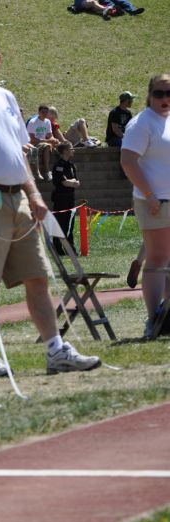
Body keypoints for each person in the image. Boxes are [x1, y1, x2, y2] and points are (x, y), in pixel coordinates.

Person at [0, 33, 101, 378]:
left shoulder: (7, 98)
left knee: (38, 276)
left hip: (18, 199)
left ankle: (55, 349)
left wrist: (35, 196)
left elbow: (19, 155)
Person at [120, 73, 170, 338]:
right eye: (159, 93)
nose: (164, 99)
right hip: (154, 202)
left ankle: (166, 319)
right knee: (158, 259)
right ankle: (153, 320)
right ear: (149, 95)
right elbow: (128, 161)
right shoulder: (142, 123)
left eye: (169, 93)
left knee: (168, 260)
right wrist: (150, 195)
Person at [50, 141, 81, 254]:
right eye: (71, 148)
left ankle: (70, 248)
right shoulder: (59, 166)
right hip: (60, 198)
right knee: (60, 223)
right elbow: (64, 183)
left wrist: (71, 182)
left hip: (70, 198)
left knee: (70, 224)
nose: (73, 150)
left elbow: (77, 183)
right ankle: (58, 248)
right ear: (65, 151)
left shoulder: (71, 165)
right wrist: (71, 182)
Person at [26, 105, 59, 180]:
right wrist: (47, 141)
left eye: (46, 112)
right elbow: (31, 139)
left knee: (50, 146)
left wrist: (54, 140)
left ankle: (48, 171)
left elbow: (50, 135)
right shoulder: (33, 122)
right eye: (42, 112)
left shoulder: (47, 122)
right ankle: (42, 172)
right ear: (39, 112)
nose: (44, 113)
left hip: (43, 143)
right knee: (47, 145)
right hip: (33, 143)